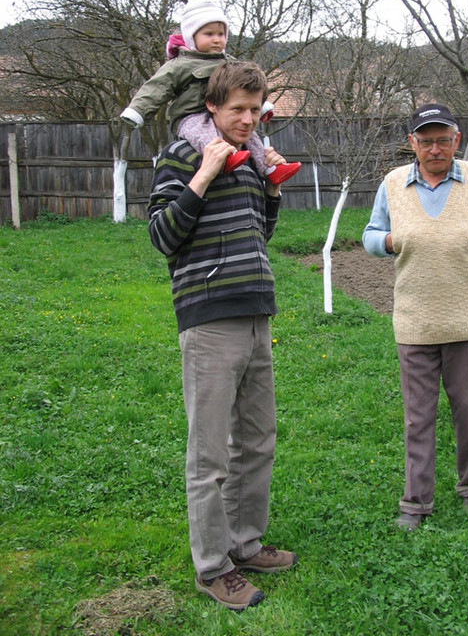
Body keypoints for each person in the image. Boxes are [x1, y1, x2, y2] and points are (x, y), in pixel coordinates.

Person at [148, 60, 298, 610]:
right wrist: (204, 174)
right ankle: (212, 566)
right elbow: (163, 236)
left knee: (257, 440)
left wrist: (273, 192)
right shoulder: (182, 156)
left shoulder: (254, 159)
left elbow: (259, 234)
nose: (248, 120)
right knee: (210, 454)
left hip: (256, 310)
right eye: (237, 109)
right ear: (210, 107)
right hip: (209, 319)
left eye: (255, 110)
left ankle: (245, 542)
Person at [362, 103, 468, 531]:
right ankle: (415, 502)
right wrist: (393, 241)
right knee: (418, 416)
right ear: (412, 143)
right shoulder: (393, 183)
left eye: (443, 140)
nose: (435, 148)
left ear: (456, 140)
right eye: (425, 140)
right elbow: (370, 235)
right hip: (415, 318)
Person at [121, 0, 301, 186]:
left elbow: (248, 86)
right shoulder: (179, 65)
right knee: (204, 133)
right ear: (192, 36)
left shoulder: (229, 62)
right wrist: (137, 111)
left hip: (216, 118)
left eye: (221, 34)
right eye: (209, 34)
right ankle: (221, 159)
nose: (217, 40)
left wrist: (263, 105)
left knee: (254, 140)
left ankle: (270, 170)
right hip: (189, 116)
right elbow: (156, 88)